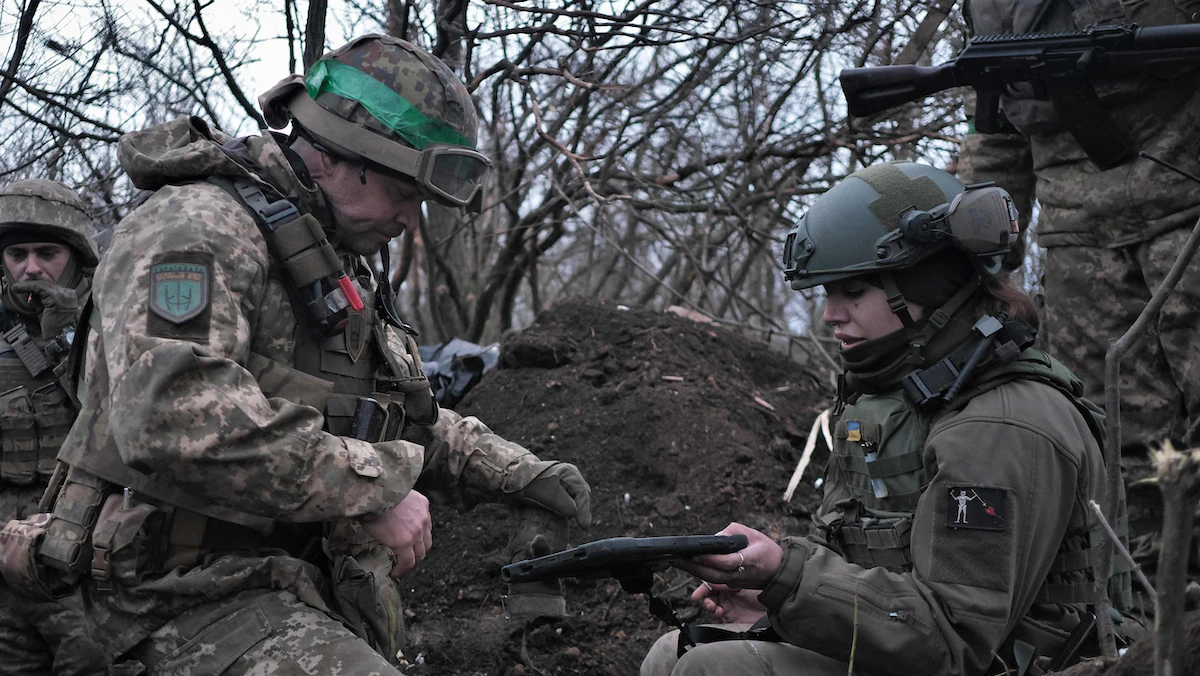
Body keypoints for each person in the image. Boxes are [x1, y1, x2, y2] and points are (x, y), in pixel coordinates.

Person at [16, 35, 590, 673]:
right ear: (340, 153)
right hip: (162, 595)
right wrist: (375, 490)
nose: (410, 220)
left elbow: (386, 414)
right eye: (403, 192)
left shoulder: (330, 255)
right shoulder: (198, 226)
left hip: (279, 581)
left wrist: (517, 473)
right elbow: (172, 415)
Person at [640, 162, 1133, 676]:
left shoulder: (1001, 426)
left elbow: (955, 640)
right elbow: (868, 573)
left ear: (928, 287)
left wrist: (787, 576)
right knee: (672, 653)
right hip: (918, 649)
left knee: (714, 669)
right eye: (828, 294)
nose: (831, 315)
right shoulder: (895, 403)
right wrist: (773, 597)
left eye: (853, 292)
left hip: (1016, 664)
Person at [957, 0, 1200, 450]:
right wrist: (979, 265)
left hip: (1188, 218)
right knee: (1114, 445)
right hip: (1080, 253)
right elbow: (994, 136)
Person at [0, 179, 106, 673]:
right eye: (16, 254)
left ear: (77, 257)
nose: (31, 268)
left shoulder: (114, 320)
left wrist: (68, 336)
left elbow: (123, 416)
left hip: (85, 565)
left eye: (47, 253)